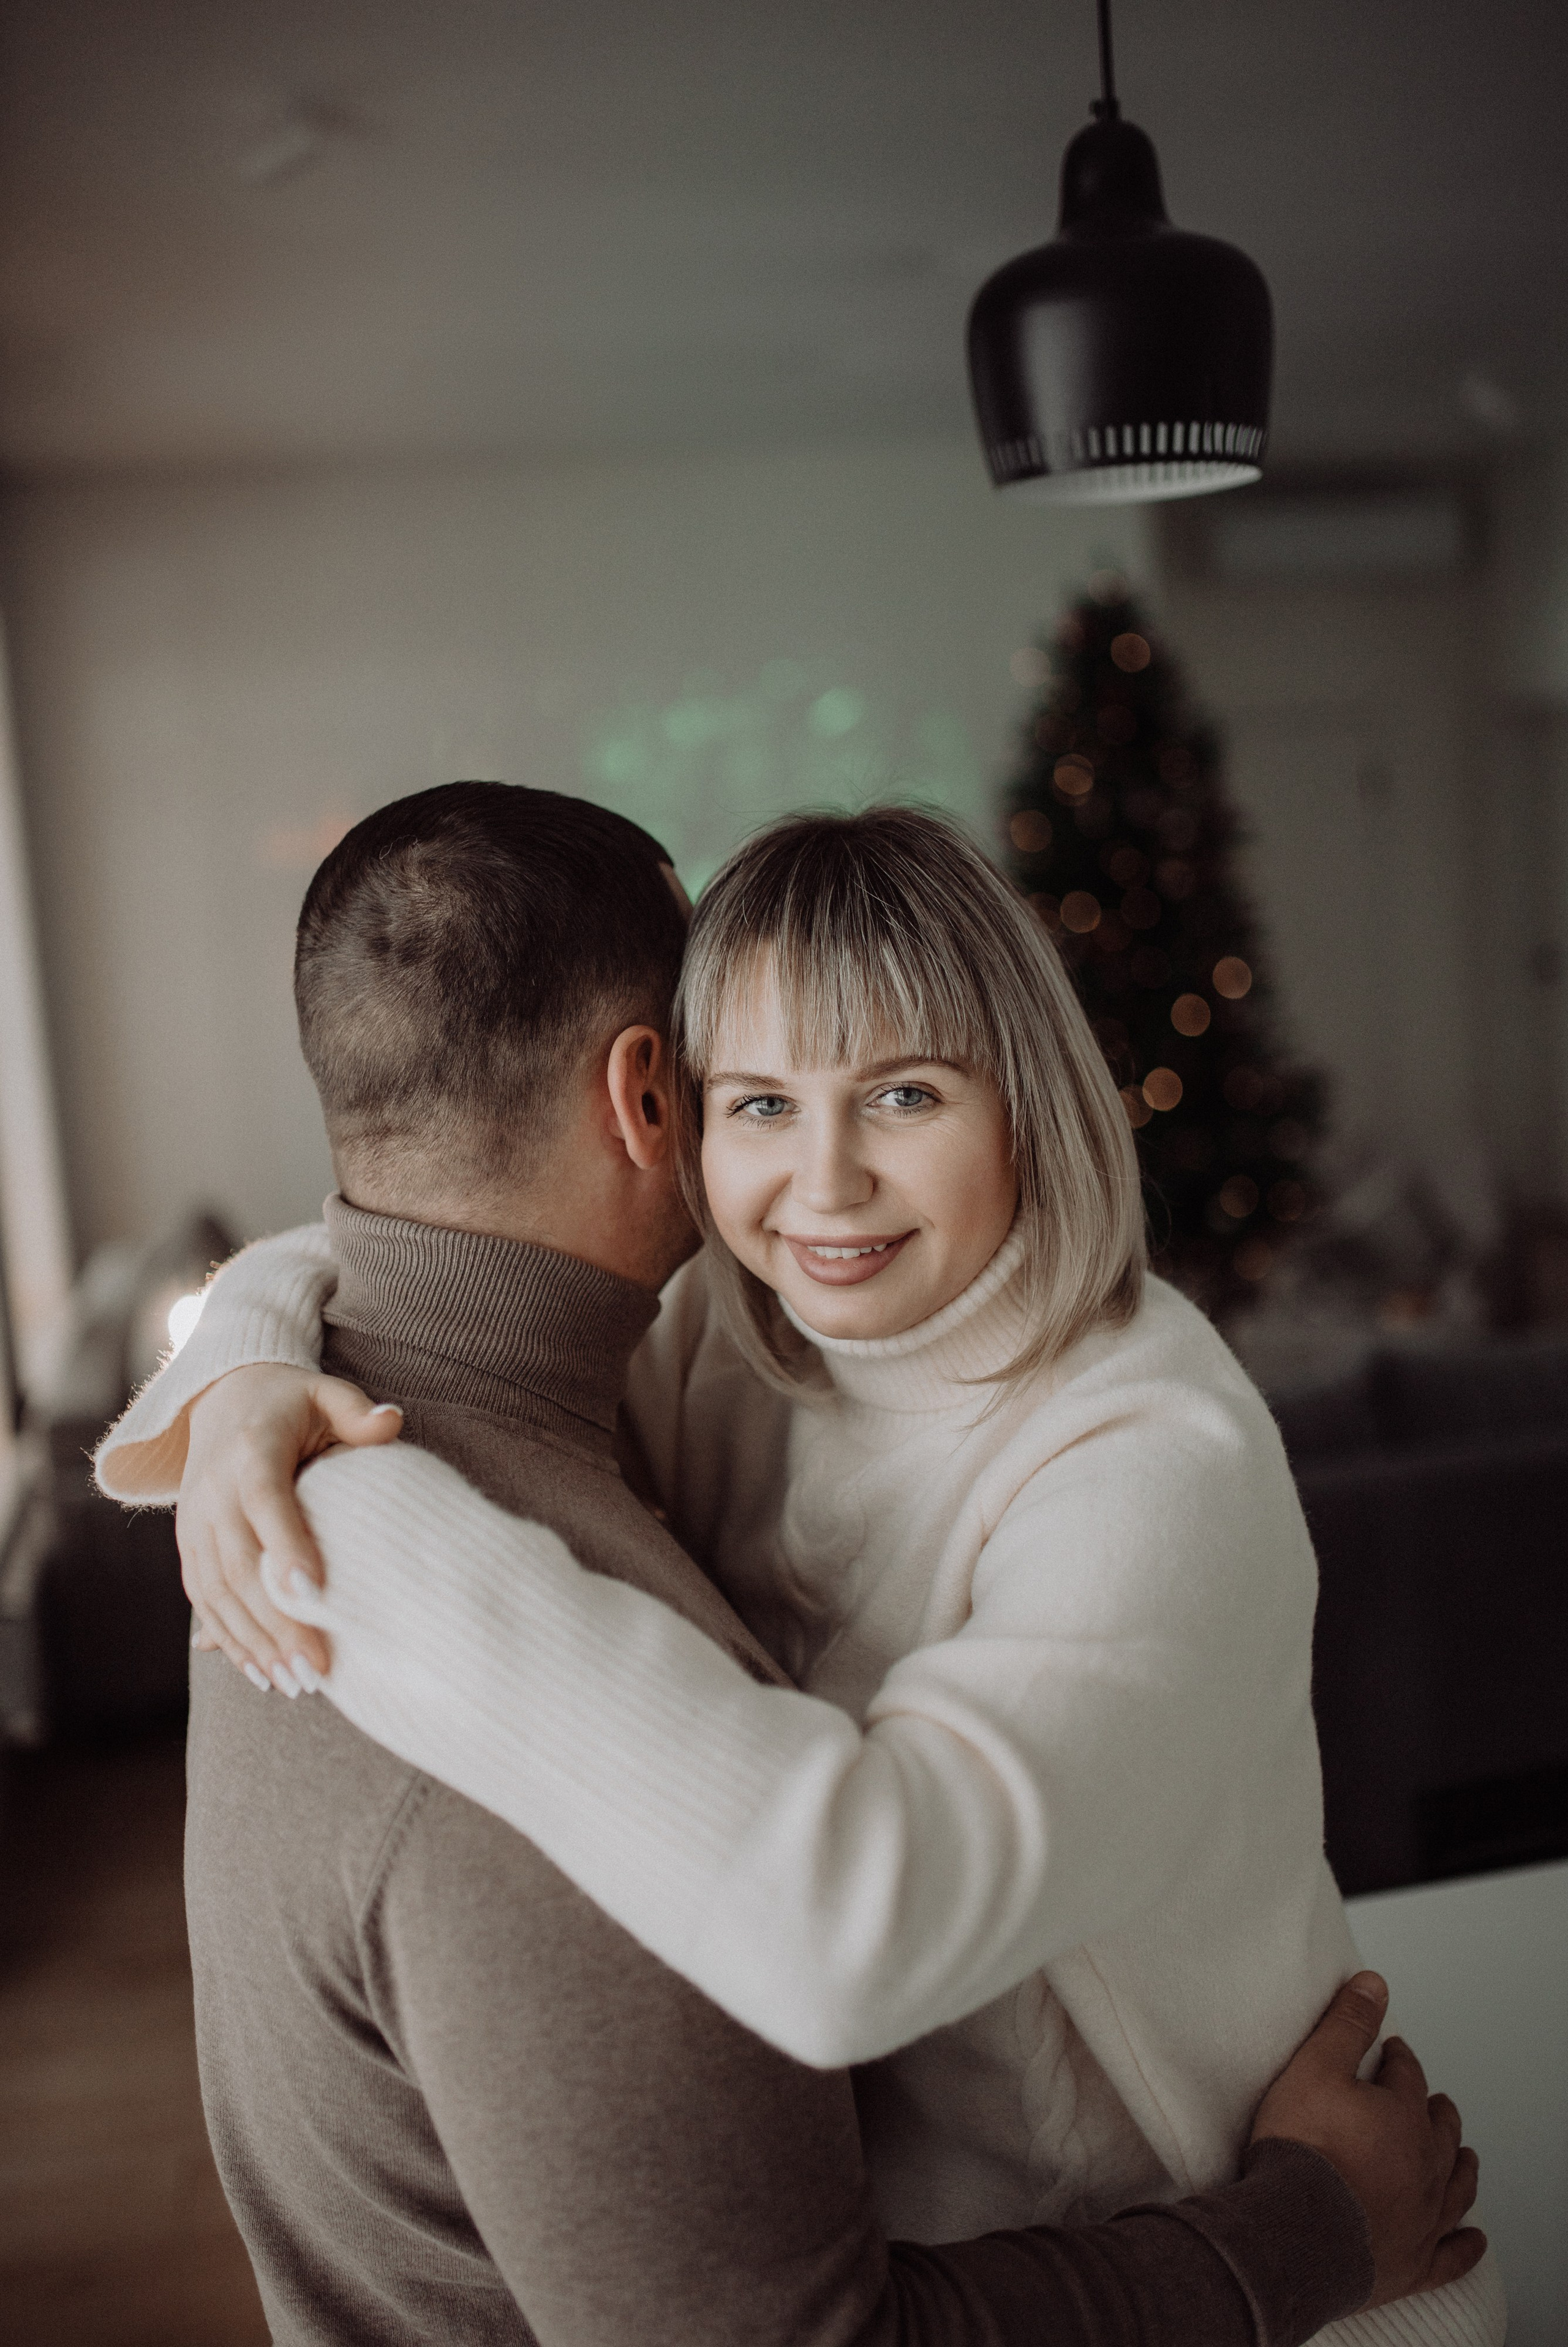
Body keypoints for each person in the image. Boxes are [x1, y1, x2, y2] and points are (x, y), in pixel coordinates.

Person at [97, 787, 1491, 2345]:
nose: (822, 1184)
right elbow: (410, 1246)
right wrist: (241, 1361)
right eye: (756, 1102)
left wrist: (351, 1522)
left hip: (1305, 2280)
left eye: (900, 1093)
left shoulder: (1151, 1460)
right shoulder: (732, 1337)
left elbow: (857, 1922)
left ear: (1024, 1097)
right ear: (667, 1109)